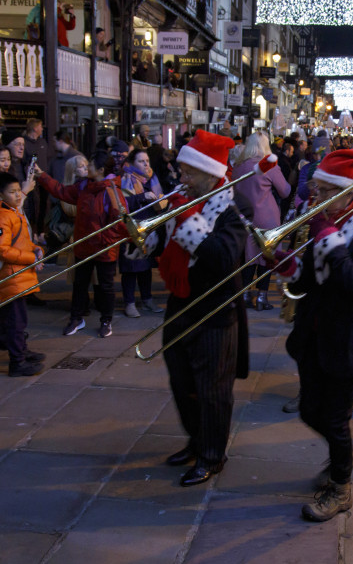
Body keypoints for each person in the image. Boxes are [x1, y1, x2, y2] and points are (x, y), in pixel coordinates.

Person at [270, 148, 353, 521]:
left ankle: (340, 489)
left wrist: (327, 237)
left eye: (326, 190)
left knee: (336, 418)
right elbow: (309, 279)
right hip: (313, 332)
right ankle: (346, 454)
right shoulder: (326, 220)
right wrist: (286, 264)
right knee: (310, 410)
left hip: (349, 337)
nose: (317, 198)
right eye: (318, 189)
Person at [157, 130, 251, 487]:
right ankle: (196, 442)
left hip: (215, 313)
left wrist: (184, 224)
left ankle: (213, 455)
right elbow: (165, 252)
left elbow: (222, 258)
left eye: (189, 172)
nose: (182, 178)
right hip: (180, 306)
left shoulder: (235, 207)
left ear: (210, 174)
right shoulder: (185, 203)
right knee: (182, 384)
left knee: (213, 391)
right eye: (181, 171)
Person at [36, 150, 141, 338]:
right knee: (79, 284)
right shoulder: (84, 186)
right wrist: (42, 176)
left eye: (90, 165)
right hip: (83, 247)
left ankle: (106, 320)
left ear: (100, 170)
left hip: (104, 248)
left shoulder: (112, 191)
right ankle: (76, 318)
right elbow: (61, 191)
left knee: (106, 286)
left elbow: (120, 224)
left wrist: (104, 241)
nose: (86, 168)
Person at [0, 173, 47, 376]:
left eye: (19, 190)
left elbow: (22, 243)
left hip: (19, 274)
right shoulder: (2, 217)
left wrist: (36, 250)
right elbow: (2, 250)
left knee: (19, 319)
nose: (18, 195)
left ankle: (22, 352)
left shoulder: (13, 212)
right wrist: (30, 257)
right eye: (12, 192)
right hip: (11, 275)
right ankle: (17, 362)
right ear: (0, 195)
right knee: (15, 321)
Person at [233, 132, 291, 310]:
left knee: (248, 257)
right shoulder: (267, 165)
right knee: (266, 256)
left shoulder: (239, 165)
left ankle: (244, 295)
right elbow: (285, 191)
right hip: (266, 216)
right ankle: (262, 297)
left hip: (243, 217)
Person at [119, 148, 164, 317]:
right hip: (131, 228)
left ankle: (147, 299)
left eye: (147, 161)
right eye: (141, 161)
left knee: (145, 266)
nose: (146, 164)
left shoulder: (152, 177)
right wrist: (143, 197)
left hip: (148, 228)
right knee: (130, 267)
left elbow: (160, 197)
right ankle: (129, 302)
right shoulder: (125, 178)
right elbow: (122, 203)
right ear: (131, 163)